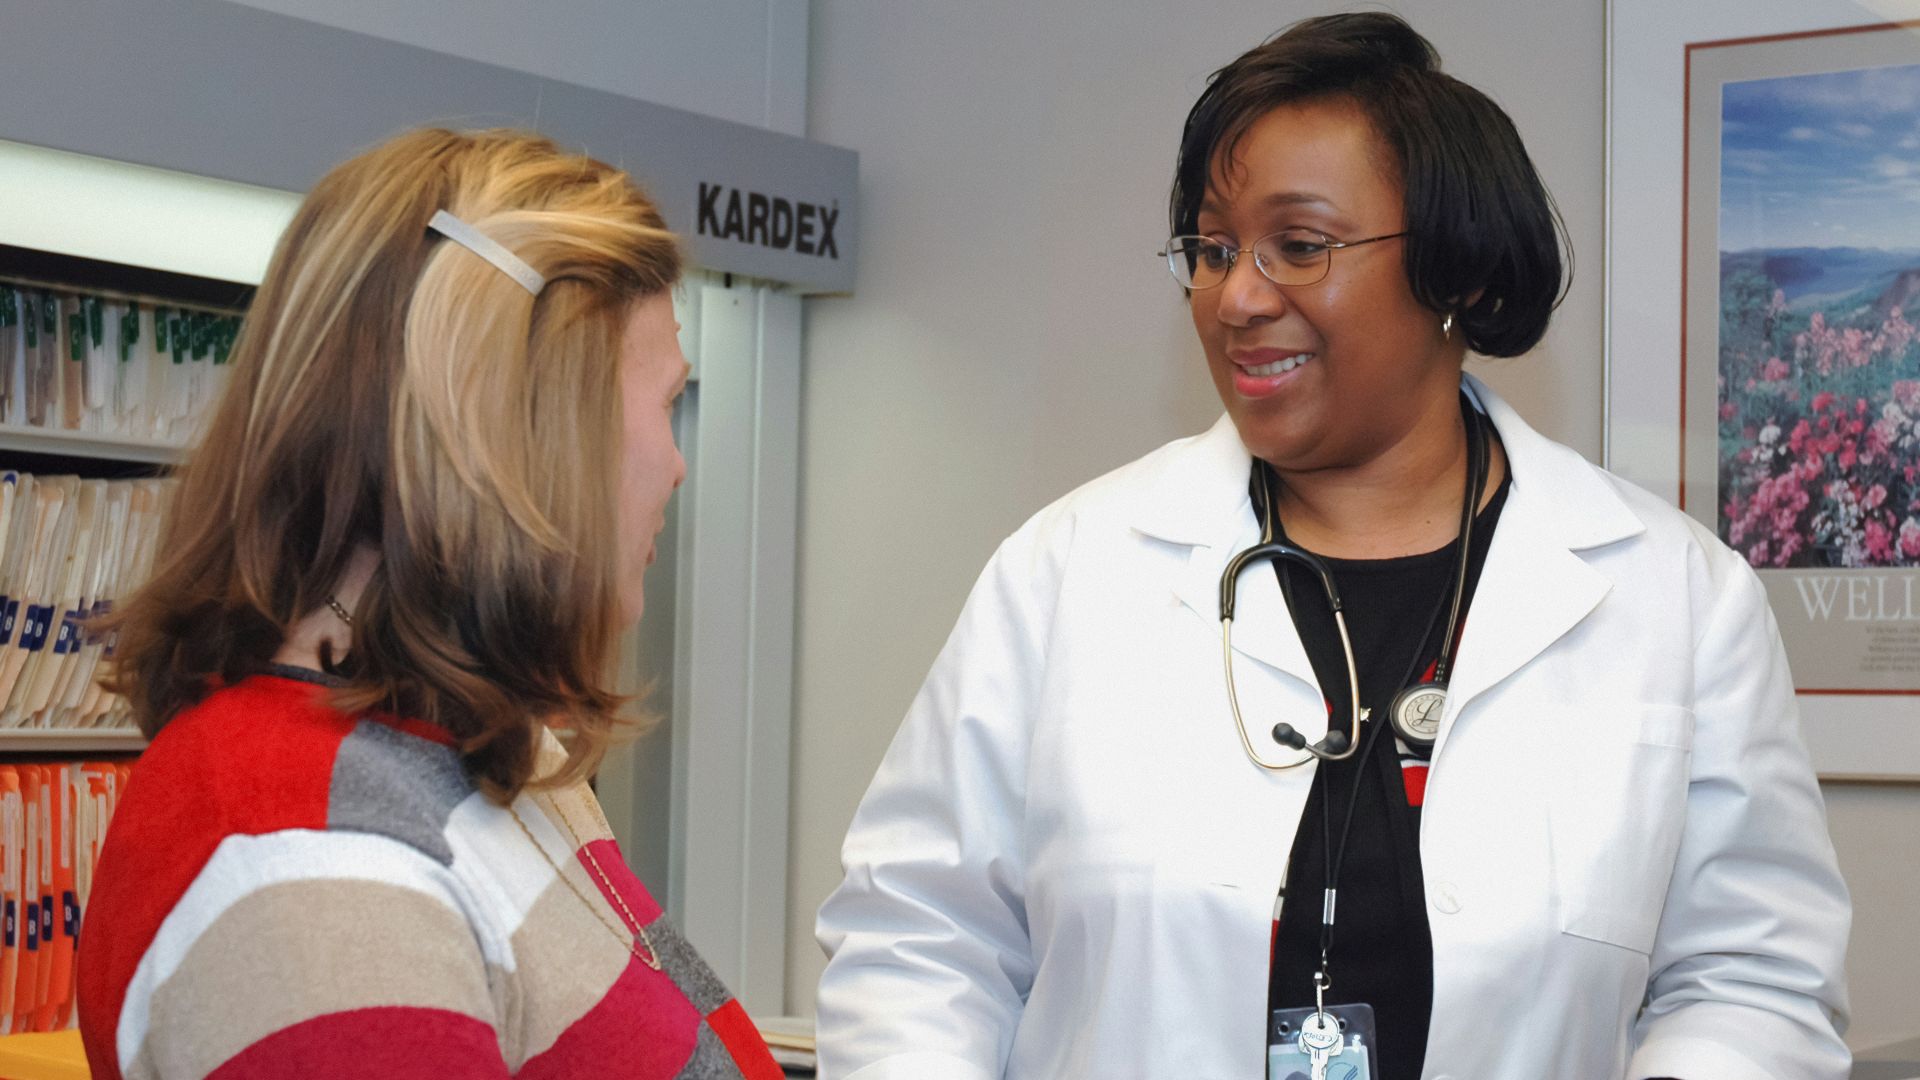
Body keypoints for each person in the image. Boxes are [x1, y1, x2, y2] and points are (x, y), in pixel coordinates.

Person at [814, 14, 1849, 1080]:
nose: (1239, 297)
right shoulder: (1070, 572)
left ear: (1460, 276)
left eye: (1299, 246)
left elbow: (1749, 981)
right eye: (1214, 250)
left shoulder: (1672, 598)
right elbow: (919, 944)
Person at [76, 128, 783, 1080]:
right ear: (530, 435)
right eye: (664, 404)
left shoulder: (483, 749)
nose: (676, 462)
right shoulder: (308, 869)